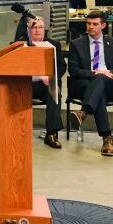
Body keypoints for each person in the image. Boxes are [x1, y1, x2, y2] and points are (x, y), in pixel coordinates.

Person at [68, 11, 113, 156]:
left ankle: (83, 112)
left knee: (100, 81)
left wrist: (108, 73)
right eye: (88, 23)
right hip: (83, 84)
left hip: (109, 84)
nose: (90, 27)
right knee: (97, 88)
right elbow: (73, 70)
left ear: (103, 25)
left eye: (95, 24)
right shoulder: (76, 44)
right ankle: (107, 138)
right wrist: (95, 73)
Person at [26, 17, 67, 148]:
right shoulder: (21, 44)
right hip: (27, 83)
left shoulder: (54, 44)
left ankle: (51, 134)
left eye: (40, 27)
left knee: (54, 90)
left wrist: (51, 77)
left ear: (45, 29)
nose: (38, 30)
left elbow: (61, 66)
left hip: (46, 83)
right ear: (29, 30)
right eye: (34, 27)